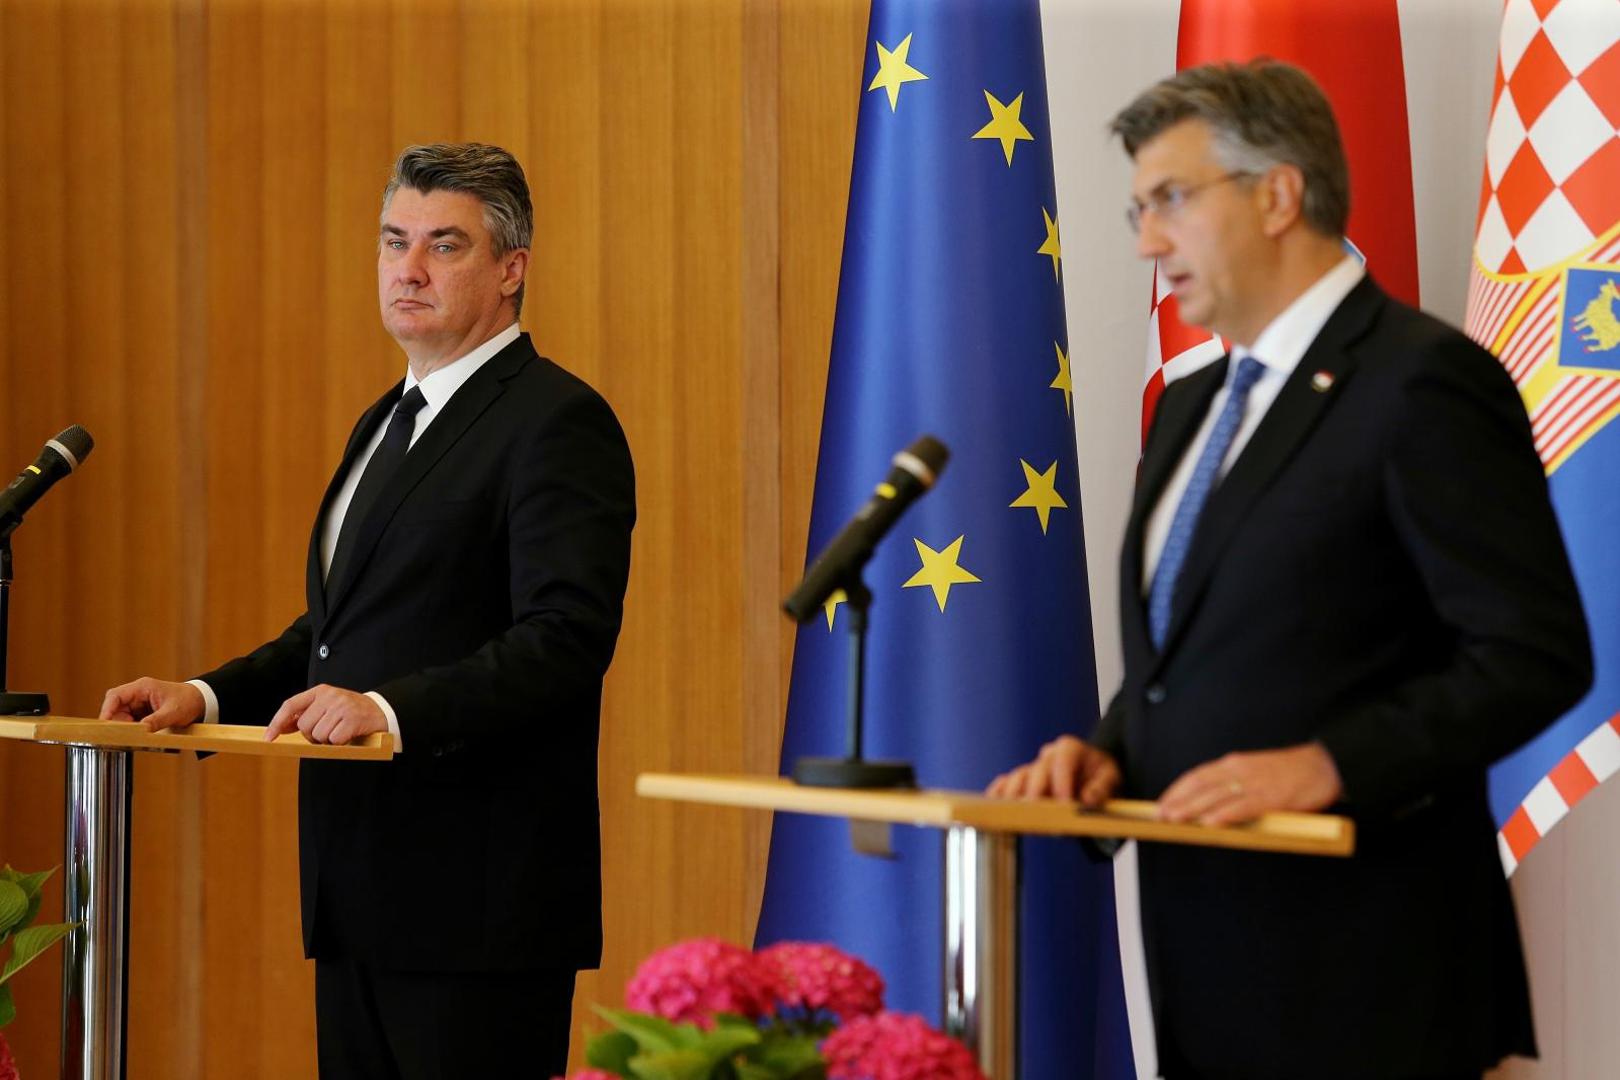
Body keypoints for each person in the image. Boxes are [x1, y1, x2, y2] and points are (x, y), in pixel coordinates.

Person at [988, 62, 1591, 1079]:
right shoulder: (1190, 407)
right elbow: (1195, 649)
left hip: (1372, 975)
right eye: (1140, 209)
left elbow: (1534, 653)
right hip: (1208, 963)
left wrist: (1334, 765)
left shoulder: (1422, 383)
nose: (1146, 242)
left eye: (1171, 201)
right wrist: (1115, 753)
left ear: (1278, 193)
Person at [100, 142, 635, 1079]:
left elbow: (565, 640)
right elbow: (338, 631)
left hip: (477, 905)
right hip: (357, 888)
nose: (410, 269)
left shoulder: (555, 420)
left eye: (445, 245)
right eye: (395, 242)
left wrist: (388, 711)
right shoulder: (385, 420)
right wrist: (205, 693)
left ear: (512, 270)